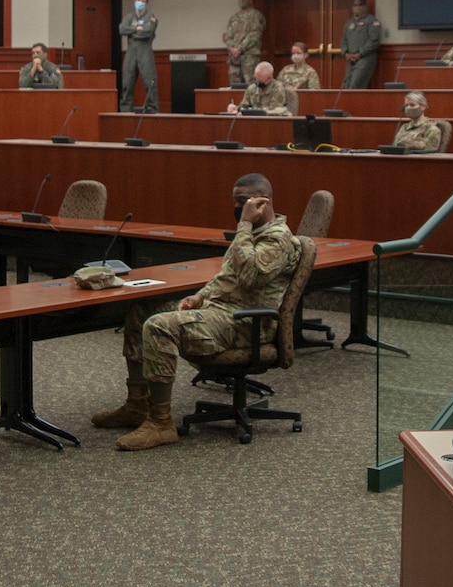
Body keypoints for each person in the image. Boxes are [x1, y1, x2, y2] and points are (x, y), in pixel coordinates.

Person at [90, 172, 299, 451]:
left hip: (246, 323)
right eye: (235, 202)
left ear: (264, 201)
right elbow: (226, 276)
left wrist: (245, 226)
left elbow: (250, 277)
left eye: (242, 202)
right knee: (140, 312)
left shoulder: (278, 239)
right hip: (219, 312)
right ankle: (137, 405)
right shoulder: (251, 234)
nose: (238, 209)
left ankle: (161, 423)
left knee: (159, 326)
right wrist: (199, 297)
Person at [118, 0, 159, 113]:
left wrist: (132, 31)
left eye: (142, 1)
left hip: (145, 52)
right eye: (138, 0)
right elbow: (122, 29)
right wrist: (136, 29)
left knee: (149, 82)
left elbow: (147, 32)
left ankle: (153, 111)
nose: (140, 3)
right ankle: (125, 112)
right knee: (127, 83)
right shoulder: (129, 17)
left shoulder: (151, 17)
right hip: (131, 52)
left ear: (146, 4)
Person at [223, 0, 266, 88]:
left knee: (251, 84)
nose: (242, 0)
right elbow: (228, 36)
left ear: (250, 0)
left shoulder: (256, 15)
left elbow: (255, 34)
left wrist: (240, 49)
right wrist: (232, 49)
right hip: (234, 57)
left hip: (249, 56)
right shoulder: (234, 18)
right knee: (234, 85)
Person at [340, 0, 384, 90]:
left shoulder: (372, 21)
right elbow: (343, 40)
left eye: (359, 5)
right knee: (347, 85)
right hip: (350, 59)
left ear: (364, 6)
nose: (356, 8)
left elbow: (374, 41)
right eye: (354, 5)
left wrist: (360, 53)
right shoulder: (349, 23)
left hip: (365, 59)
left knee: (356, 85)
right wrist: (346, 53)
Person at [228, 62, 292, 116]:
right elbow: (244, 106)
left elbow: (275, 110)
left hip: (270, 121)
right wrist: (236, 109)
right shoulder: (252, 88)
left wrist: (252, 111)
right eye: (256, 78)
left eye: (260, 80)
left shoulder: (278, 88)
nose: (257, 82)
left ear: (270, 78)